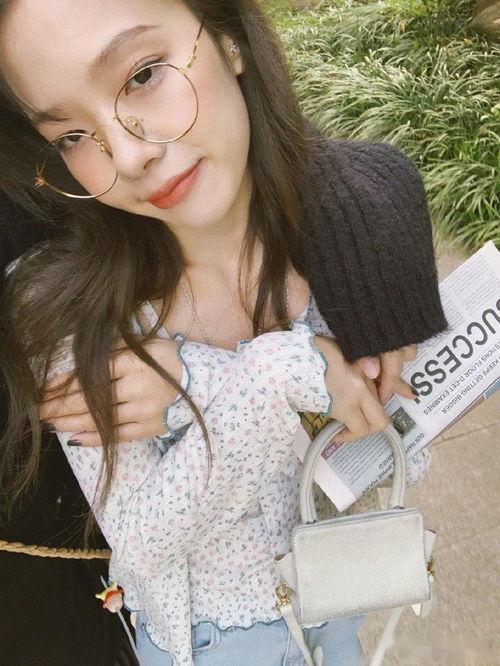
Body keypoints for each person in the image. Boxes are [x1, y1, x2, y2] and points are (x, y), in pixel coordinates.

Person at [0, 1, 447, 664]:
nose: (129, 154)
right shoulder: (72, 314)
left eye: (143, 75)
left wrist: (197, 384)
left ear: (230, 39)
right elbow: (141, 541)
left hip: (338, 615)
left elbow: (397, 444)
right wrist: (276, 379)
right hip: (209, 647)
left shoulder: (345, 256)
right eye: (70, 135)